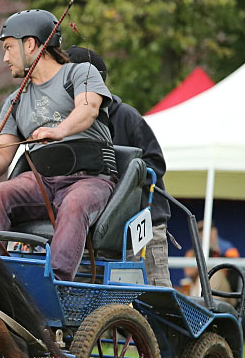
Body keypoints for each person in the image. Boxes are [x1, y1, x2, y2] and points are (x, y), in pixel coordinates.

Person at [0, 9, 116, 281]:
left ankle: (55, 283)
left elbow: (89, 108)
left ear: (31, 44)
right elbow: (3, 156)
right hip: (42, 182)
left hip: (89, 179)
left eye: (9, 47)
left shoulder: (80, 72)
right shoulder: (15, 99)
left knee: (75, 204)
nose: (5, 58)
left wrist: (59, 131)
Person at [66, 46, 171, 287]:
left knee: (153, 297)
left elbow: (155, 164)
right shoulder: (67, 123)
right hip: (96, 230)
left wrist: (114, 177)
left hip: (140, 226)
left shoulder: (126, 116)